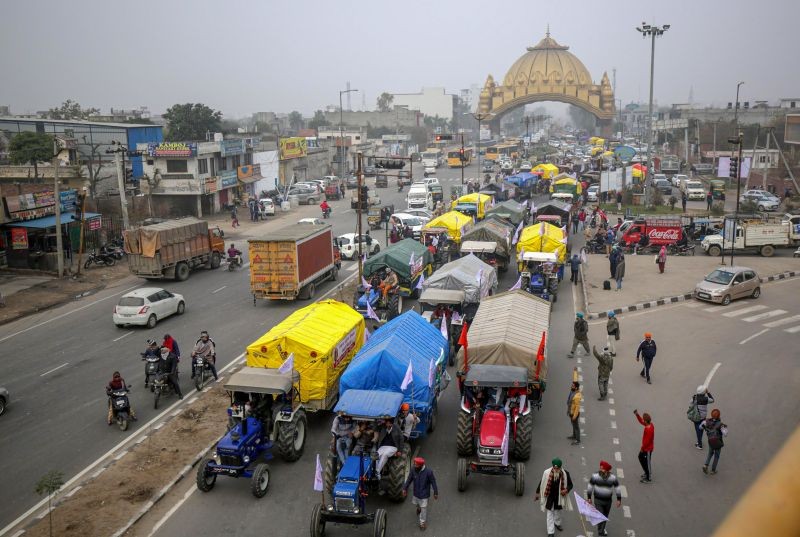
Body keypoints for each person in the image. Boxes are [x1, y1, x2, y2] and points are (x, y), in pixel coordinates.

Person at [535, 458, 574, 537]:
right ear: (552, 467)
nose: (556, 470)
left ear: (560, 467)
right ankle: (551, 532)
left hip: (560, 497)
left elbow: (571, 485)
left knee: (558, 512)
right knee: (549, 514)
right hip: (550, 497)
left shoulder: (565, 473)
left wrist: (566, 490)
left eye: (558, 468)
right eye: (554, 468)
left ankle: (557, 523)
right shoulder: (546, 472)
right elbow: (542, 482)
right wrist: (537, 493)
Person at [587, 461, 622, 537]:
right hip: (598, 500)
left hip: (608, 501)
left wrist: (619, 499)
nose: (600, 470)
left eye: (602, 469)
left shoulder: (613, 477)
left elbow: (617, 488)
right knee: (600, 516)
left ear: (607, 470)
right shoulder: (595, 476)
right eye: (600, 468)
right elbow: (590, 486)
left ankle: (602, 529)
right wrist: (589, 497)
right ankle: (600, 533)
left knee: (605, 516)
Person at [402, 457, 438, 530]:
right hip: (416, 493)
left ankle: (422, 523)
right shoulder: (413, 470)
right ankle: (418, 508)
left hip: (424, 495)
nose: (415, 466)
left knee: (423, 508)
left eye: (416, 465)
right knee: (417, 504)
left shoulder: (429, 472)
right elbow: (409, 480)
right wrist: (404, 488)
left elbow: (433, 482)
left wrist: (435, 492)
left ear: (421, 465)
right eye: (414, 464)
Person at [701, 409, 728, 475]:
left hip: (710, 441)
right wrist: (725, 428)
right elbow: (725, 434)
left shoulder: (706, 421)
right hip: (717, 442)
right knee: (717, 455)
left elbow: (700, 427)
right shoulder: (720, 424)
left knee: (710, 453)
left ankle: (706, 465)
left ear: (711, 415)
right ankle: (713, 470)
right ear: (719, 416)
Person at [634, 409, 655, 483]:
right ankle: (646, 472)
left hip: (647, 449)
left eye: (644, 419)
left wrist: (642, 448)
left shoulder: (649, 429)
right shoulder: (649, 424)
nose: (643, 420)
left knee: (647, 462)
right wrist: (637, 415)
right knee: (641, 458)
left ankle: (648, 477)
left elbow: (647, 441)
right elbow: (641, 421)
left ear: (646, 421)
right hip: (645, 448)